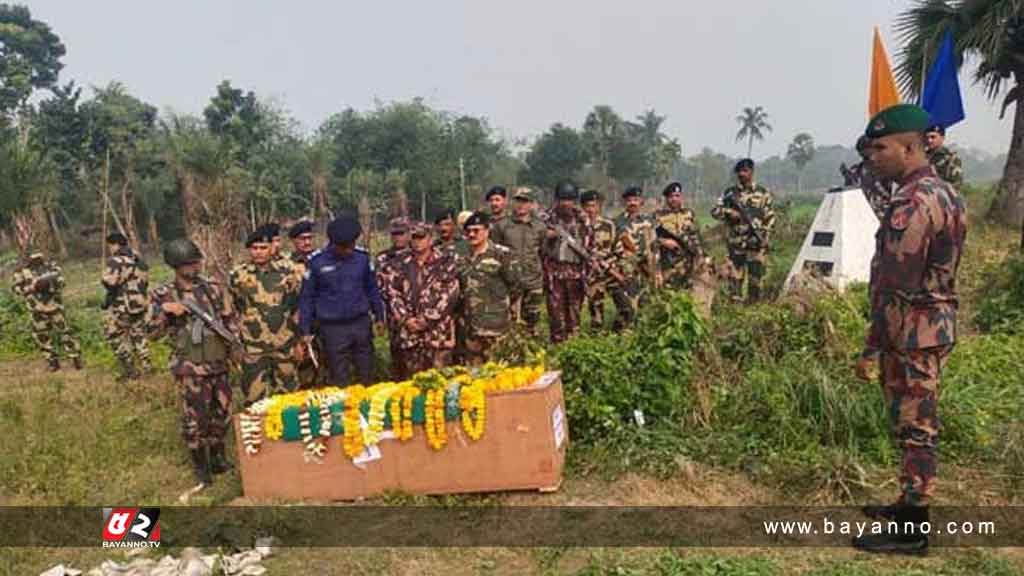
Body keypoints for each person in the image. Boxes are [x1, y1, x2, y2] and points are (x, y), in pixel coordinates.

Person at [852, 104, 967, 554]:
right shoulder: (947, 193)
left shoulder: (912, 202)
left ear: (909, 147)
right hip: (932, 324)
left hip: (910, 331)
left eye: (881, 147)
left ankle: (912, 530)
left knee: (915, 426)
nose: (873, 156)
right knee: (912, 422)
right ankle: (906, 503)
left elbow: (895, 285)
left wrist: (873, 346)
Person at [147, 238, 238, 486]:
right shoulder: (163, 294)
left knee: (222, 413)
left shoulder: (214, 288)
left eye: (197, 261)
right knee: (195, 419)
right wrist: (166, 311)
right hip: (190, 368)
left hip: (218, 363)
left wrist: (234, 346)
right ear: (177, 265)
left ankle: (219, 459)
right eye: (190, 263)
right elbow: (151, 333)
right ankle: (201, 467)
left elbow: (229, 320)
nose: (196, 266)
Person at [298, 215, 385, 386]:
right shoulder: (317, 262)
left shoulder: (362, 259)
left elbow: (372, 289)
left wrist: (379, 316)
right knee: (339, 378)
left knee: (367, 375)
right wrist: (305, 330)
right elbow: (307, 298)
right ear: (333, 244)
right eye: (344, 247)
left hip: (360, 324)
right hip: (333, 329)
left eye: (352, 245)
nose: (349, 250)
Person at [229, 226, 305, 404]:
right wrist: (236, 343)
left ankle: (287, 430)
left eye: (263, 248)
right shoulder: (238, 276)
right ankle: (258, 431)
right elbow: (234, 308)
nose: (258, 253)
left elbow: (296, 307)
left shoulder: (288, 273)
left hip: (284, 343)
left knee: (289, 397)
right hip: (253, 346)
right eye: (254, 248)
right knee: (255, 397)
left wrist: (300, 341)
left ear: (272, 248)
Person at [380, 222, 459, 376]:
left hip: (437, 335)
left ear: (430, 239)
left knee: (440, 382)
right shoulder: (397, 263)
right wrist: (406, 319)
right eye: (414, 237)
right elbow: (392, 293)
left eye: (421, 237)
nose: (417, 241)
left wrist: (427, 320)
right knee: (410, 385)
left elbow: (450, 293)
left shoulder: (445, 262)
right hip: (409, 337)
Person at [457, 212, 520, 364]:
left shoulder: (502, 255)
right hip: (471, 329)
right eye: (468, 231)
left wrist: (502, 307)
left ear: (487, 231)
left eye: (476, 230)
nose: (472, 234)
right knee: (475, 376)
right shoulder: (461, 258)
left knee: (501, 374)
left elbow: (516, 287)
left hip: (497, 327)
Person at [711, 158, 776, 302]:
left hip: (756, 244)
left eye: (745, 171)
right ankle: (735, 310)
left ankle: (753, 310)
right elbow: (715, 211)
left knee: (756, 281)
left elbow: (770, 217)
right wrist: (729, 213)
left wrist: (765, 235)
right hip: (736, 244)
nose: (742, 174)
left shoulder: (763, 193)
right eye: (739, 171)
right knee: (735, 280)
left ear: (752, 172)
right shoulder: (729, 193)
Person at [11, 247, 83, 371]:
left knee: (66, 333)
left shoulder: (51, 266)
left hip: (55, 306)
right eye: (34, 258)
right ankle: (52, 362)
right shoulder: (21, 271)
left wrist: (50, 283)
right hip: (36, 308)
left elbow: (62, 282)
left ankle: (76, 358)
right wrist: (31, 288)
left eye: (39, 257)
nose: (37, 260)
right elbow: (16, 289)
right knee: (42, 336)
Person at [541, 180, 593, 343]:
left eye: (569, 200)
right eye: (562, 199)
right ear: (556, 200)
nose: (566, 204)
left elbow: (590, 245)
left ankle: (573, 348)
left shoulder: (583, 220)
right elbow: (536, 245)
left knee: (574, 315)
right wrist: (546, 237)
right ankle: (557, 348)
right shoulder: (547, 218)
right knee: (556, 317)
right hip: (554, 274)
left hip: (576, 274)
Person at [491, 187, 546, 336]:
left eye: (525, 201)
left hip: (533, 280)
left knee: (532, 322)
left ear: (531, 204)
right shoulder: (502, 226)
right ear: (513, 203)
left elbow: (543, 251)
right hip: (510, 282)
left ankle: (532, 354)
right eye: (518, 201)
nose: (521, 205)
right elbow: (495, 253)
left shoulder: (540, 227)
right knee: (509, 322)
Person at [101, 232, 152, 382]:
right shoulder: (138, 259)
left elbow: (109, 282)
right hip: (140, 304)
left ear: (115, 244)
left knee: (114, 336)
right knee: (139, 335)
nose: (109, 249)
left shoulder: (116, 260)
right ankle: (147, 367)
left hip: (123, 306)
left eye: (109, 246)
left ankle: (130, 370)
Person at [611, 186, 654, 327]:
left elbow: (655, 243)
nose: (633, 203)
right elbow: (614, 247)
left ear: (641, 201)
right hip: (627, 269)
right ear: (625, 202)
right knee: (628, 304)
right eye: (629, 200)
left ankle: (642, 331)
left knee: (646, 302)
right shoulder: (617, 222)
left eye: (636, 199)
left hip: (647, 269)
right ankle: (623, 332)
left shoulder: (649, 220)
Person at [376, 217, 411, 379]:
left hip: (417, 314)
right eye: (394, 234)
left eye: (401, 233)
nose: (398, 237)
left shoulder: (417, 254)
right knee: (398, 356)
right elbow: (378, 287)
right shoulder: (383, 258)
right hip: (394, 316)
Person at [653, 182, 704, 290]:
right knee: (669, 294)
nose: (674, 199)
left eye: (677, 196)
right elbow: (650, 239)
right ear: (666, 199)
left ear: (681, 197)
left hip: (689, 263)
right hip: (669, 264)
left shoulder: (689, 214)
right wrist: (663, 241)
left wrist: (700, 256)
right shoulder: (658, 216)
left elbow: (697, 236)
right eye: (671, 196)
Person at [580, 190, 616, 331]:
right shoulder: (578, 226)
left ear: (600, 206)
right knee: (584, 307)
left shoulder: (609, 225)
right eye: (588, 206)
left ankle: (603, 334)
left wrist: (609, 266)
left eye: (594, 206)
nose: (591, 210)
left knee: (602, 306)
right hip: (584, 273)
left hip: (605, 273)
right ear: (583, 207)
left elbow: (616, 249)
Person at [925, 124, 964, 188]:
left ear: (942, 138)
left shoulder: (951, 159)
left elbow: (956, 184)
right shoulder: (922, 157)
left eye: (933, 137)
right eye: (927, 137)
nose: (929, 140)